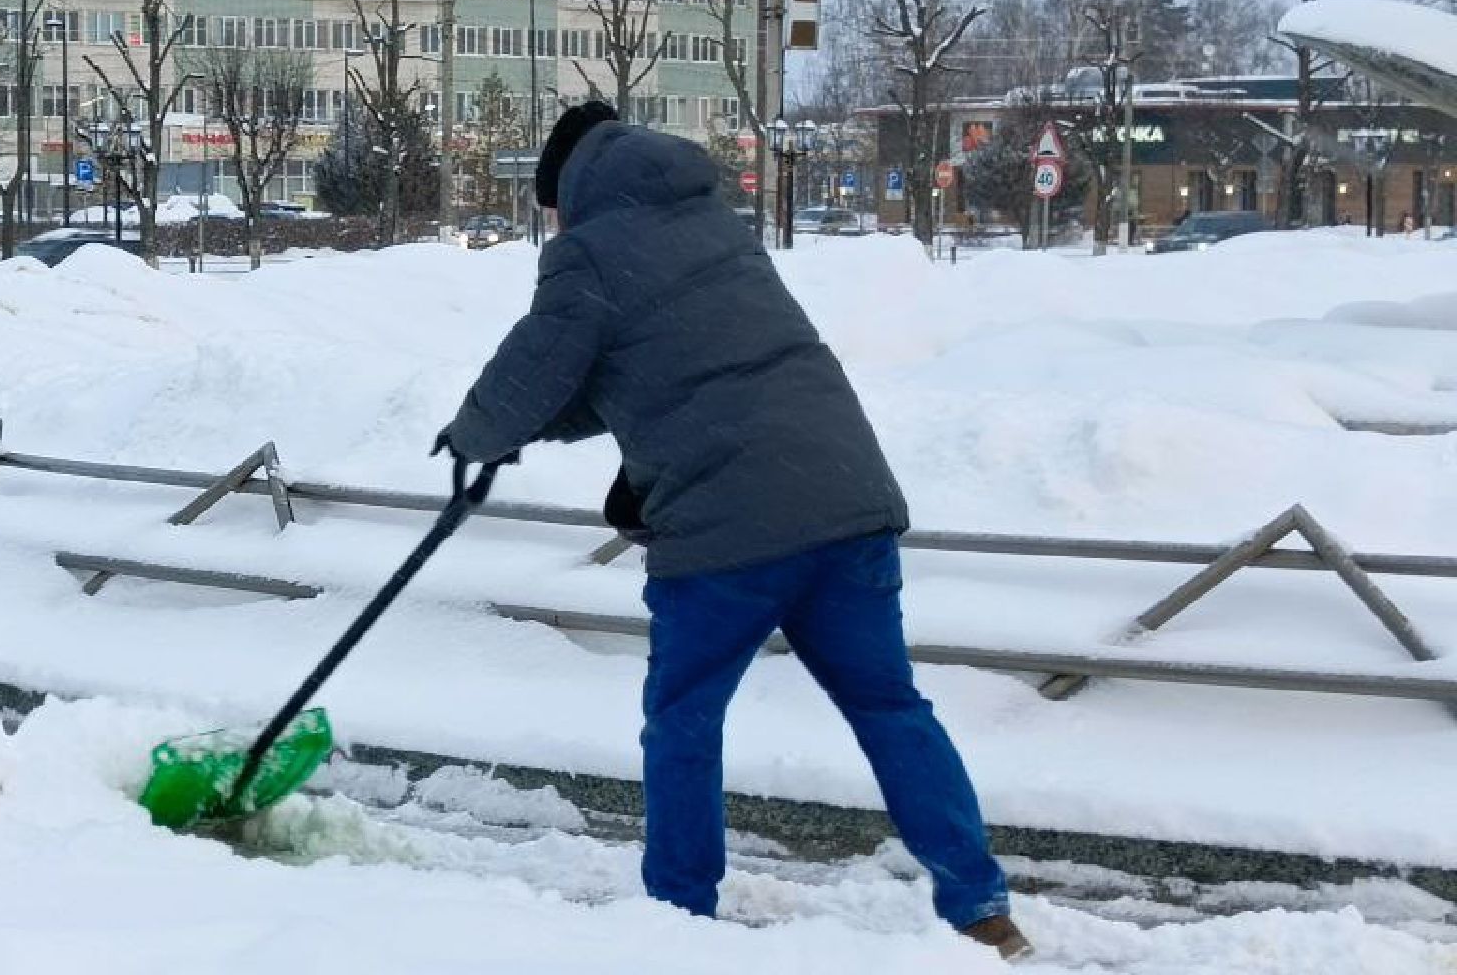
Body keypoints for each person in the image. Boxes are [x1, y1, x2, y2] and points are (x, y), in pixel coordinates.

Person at [436, 103, 1029, 961]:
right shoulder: (714, 226)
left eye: (551, 209)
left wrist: (475, 434)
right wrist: (523, 431)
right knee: (890, 707)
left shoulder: (587, 255)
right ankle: (981, 907)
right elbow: (642, 369)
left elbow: (537, 365)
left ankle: (679, 916)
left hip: (727, 536)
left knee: (683, 720)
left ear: (568, 191)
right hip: (846, 499)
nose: (554, 225)